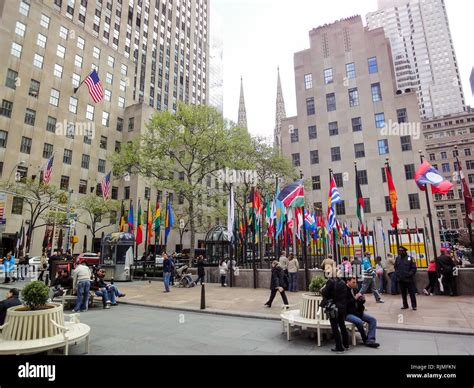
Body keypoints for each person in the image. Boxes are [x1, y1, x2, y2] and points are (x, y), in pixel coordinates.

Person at [345, 276, 380, 348]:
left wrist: (362, 299)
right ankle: (365, 339)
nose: (355, 284)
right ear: (348, 282)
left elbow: (359, 302)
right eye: (353, 282)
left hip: (358, 312)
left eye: (355, 282)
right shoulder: (344, 290)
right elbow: (345, 304)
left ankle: (371, 339)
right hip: (348, 313)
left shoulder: (355, 289)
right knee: (359, 322)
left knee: (373, 320)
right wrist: (355, 298)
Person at [320, 272, 349, 353]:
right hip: (342, 307)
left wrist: (322, 289)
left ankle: (339, 347)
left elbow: (324, 292)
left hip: (333, 308)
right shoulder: (343, 282)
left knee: (335, 328)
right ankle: (346, 344)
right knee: (342, 325)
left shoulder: (330, 282)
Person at [395, 246, 417, 310]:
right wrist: (398, 274)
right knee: (403, 294)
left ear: (405, 251)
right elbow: (396, 267)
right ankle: (405, 305)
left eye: (402, 251)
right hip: (401, 279)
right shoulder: (398, 258)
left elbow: (414, 268)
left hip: (408, 279)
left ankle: (414, 306)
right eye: (399, 251)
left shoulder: (410, 258)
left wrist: (409, 274)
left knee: (411, 293)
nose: (400, 252)